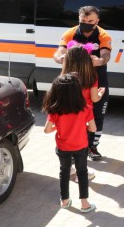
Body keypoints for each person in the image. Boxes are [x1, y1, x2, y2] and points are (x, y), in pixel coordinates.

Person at [53, 6, 111, 161]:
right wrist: (59, 58)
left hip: (96, 78)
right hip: (73, 82)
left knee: (97, 115)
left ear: (97, 21)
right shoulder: (70, 33)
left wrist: (100, 61)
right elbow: (59, 51)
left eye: (90, 21)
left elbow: (106, 55)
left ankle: (92, 147)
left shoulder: (103, 35)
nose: (86, 23)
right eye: (83, 21)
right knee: (71, 114)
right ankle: (71, 147)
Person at [43, 73, 97, 213]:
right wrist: (82, 126)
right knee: (82, 172)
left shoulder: (55, 109)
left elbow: (47, 130)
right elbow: (93, 128)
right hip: (81, 146)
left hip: (63, 147)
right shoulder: (86, 109)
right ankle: (84, 204)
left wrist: (58, 127)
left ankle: (65, 201)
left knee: (64, 171)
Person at [61, 43, 106, 180]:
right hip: (83, 118)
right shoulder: (91, 77)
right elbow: (94, 98)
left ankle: (68, 169)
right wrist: (100, 93)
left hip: (65, 116)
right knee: (81, 146)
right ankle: (82, 174)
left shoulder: (64, 77)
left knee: (65, 142)